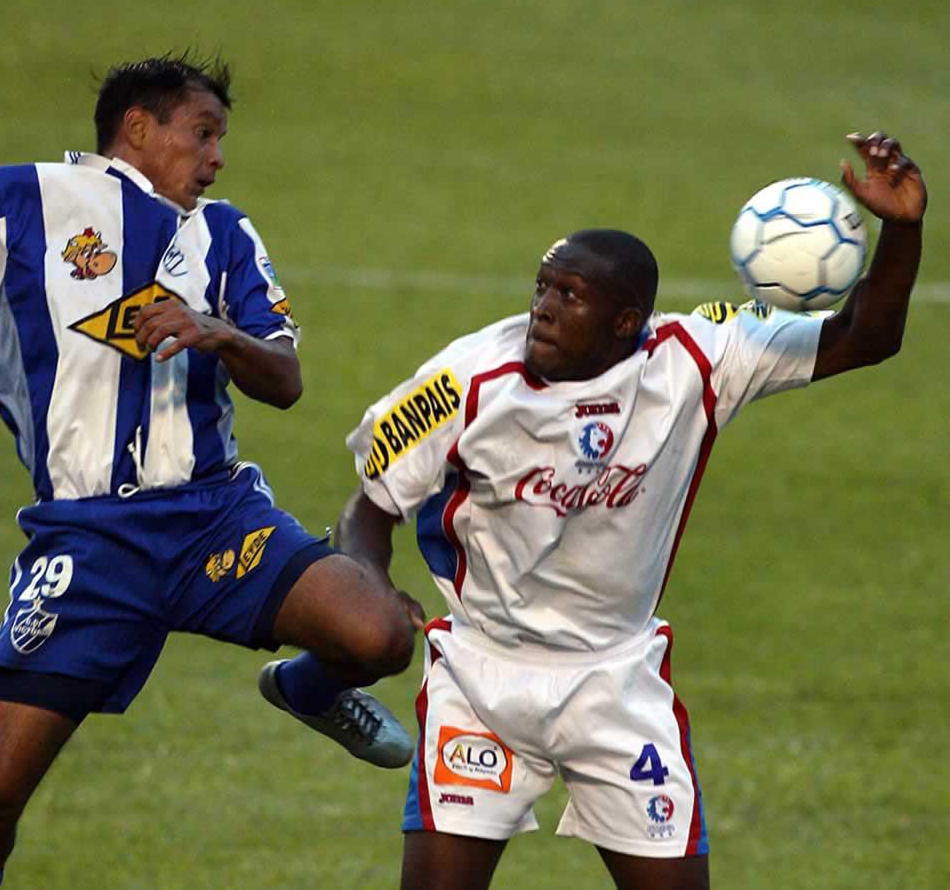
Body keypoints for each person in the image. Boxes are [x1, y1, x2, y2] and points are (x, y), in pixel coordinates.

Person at [0, 29, 423, 890]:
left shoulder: (223, 235)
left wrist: (214, 331)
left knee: (378, 634)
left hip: (214, 516)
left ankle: (307, 689)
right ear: (137, 129)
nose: (217, 157)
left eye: (222, 139)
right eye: (202, 132)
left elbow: (285, 380)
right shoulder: (25, 199)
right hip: (89, 539)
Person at [336, 133, 926, 889]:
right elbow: (369, 507)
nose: (543, 309)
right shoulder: (470, 377)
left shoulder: (698, 362)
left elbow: (865, 338)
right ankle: (316, 680)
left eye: (569, 296)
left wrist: (903, 228)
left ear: (627, 323)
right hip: (482, 676)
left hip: (614, 682)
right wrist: (368, 583)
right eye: (543, 287)